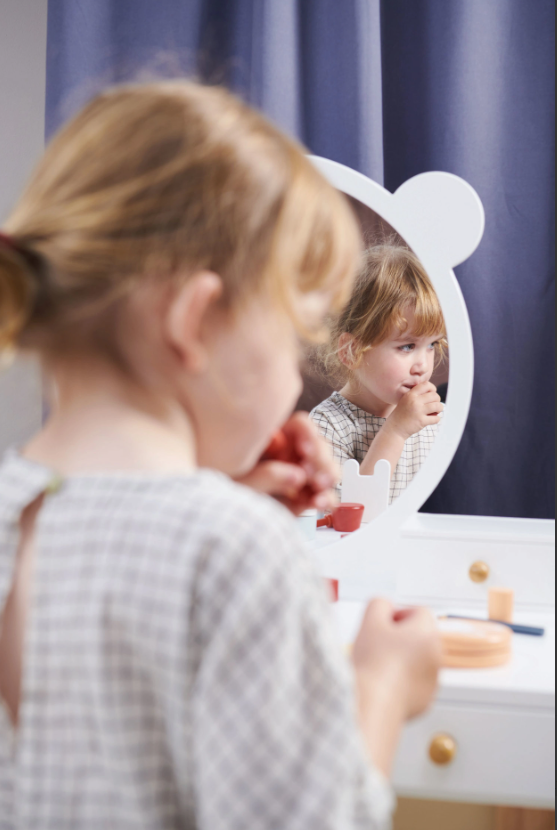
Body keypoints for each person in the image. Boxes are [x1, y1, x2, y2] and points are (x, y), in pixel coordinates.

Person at [0, 81, 440, 829]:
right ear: (194, 321)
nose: (288, 376)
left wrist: (222, 486)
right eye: (294, 331)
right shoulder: (237, 550)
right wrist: (381, 689)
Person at [310, 245, 447, 503]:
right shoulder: (328, 426)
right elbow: (346, 515)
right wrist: (395, 431)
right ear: (352, 351)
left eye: (432, 345)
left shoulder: (433, 420)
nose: (423, 366)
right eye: (407, 346)